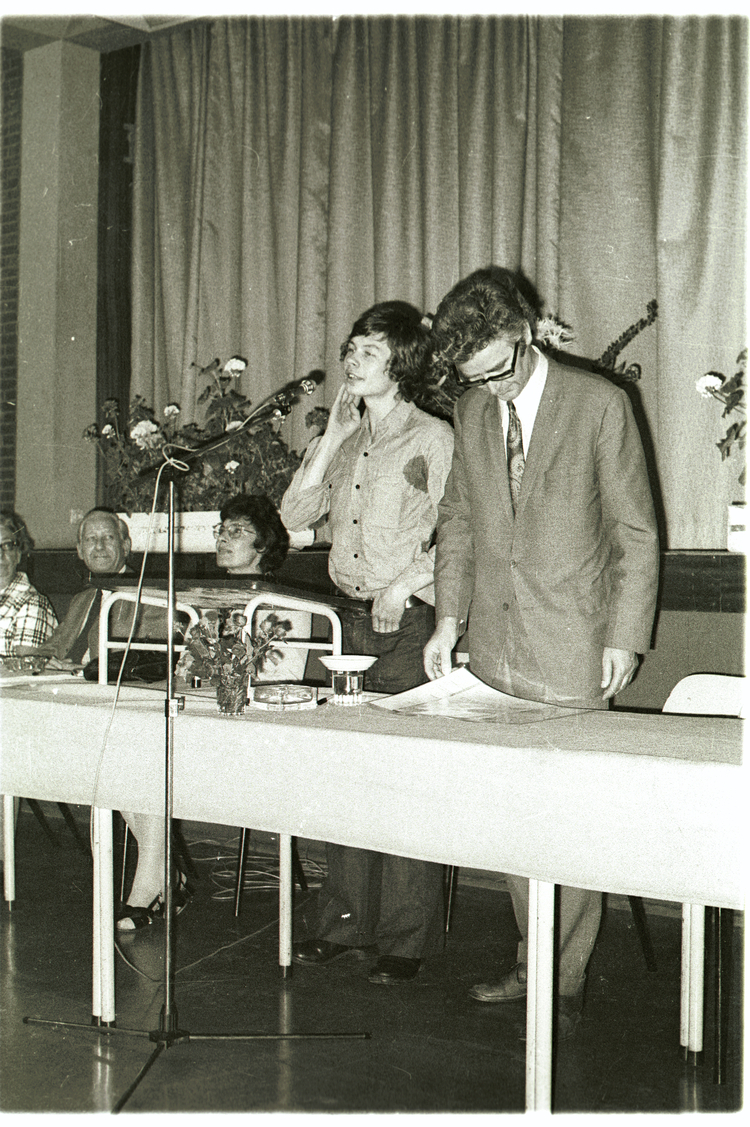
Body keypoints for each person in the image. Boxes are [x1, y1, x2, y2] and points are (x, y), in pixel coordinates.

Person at [423, 266, 659, 1035]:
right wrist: (444, 620)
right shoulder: (468, 408)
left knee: (570, 818)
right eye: (474, 379)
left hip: (576, 641)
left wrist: (626, 634)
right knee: (510, 815)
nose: (490, 390)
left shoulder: (600, 404)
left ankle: (561, 974)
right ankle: (536, 956)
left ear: (525, 335)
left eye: (498, 371)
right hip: (493, 643)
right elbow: (458, 520)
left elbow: (634, 531)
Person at [280, 300, 455, 985]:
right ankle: (344, 925)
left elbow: (458, 530)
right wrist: (329, 438)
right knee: (343, 771)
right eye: (351, 347)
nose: (352, 359)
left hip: (404, 620)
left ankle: (404, 940)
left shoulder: (432, 437)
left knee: (404, 777)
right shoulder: (349, 442)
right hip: (344, 619)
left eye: (369, 351)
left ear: (402, 362)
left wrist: (408, 585)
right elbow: (294, 515)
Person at [17, 508, 192, 931]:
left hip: (139, 715)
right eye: (89, 540)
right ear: (78, 551)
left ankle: (148, 889)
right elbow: (56, 653)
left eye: (107, 539)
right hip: (86, 717)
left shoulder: (149, 592)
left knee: (129, 774)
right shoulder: (84, 598)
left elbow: (157, 660)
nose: (98, 546)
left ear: (126, 546)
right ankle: (171, 879)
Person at [175, 493, 309, 686]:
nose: (222, 538)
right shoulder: (208, 600)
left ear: (262, 544)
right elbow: (184, 670)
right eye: (221, 531)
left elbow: (286, 677)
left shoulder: (287, 604)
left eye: (236, 531)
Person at [0, 511, 57, 657]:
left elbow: (26, 670)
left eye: (6, 545)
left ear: (18, 554)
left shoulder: (32, 603)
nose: (0, 554)